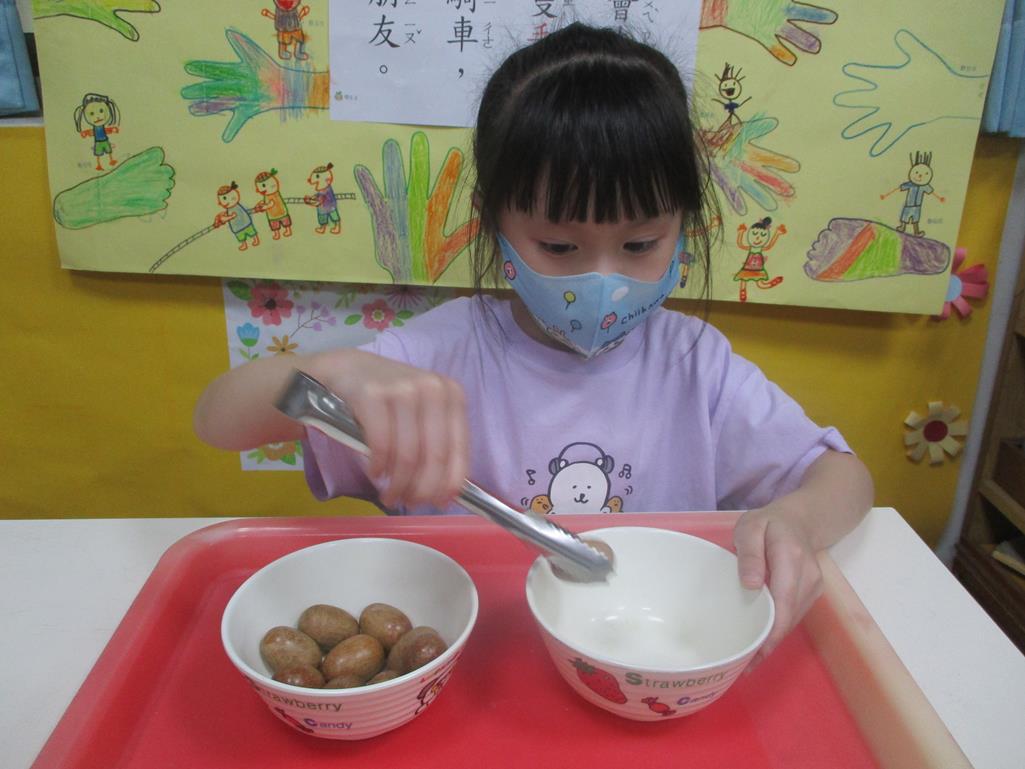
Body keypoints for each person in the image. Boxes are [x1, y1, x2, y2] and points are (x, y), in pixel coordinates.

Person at [194, 23, 873, 667]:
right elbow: (217, 420)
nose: (602, 278)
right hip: (471, 662)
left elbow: (844, 478)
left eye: (640, 243)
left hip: (653, 660)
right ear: (493, 224)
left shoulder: (696, 366)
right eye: (558, 246)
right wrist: (334, 369)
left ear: (683, 226)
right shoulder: (437, 355)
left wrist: (797, 521)